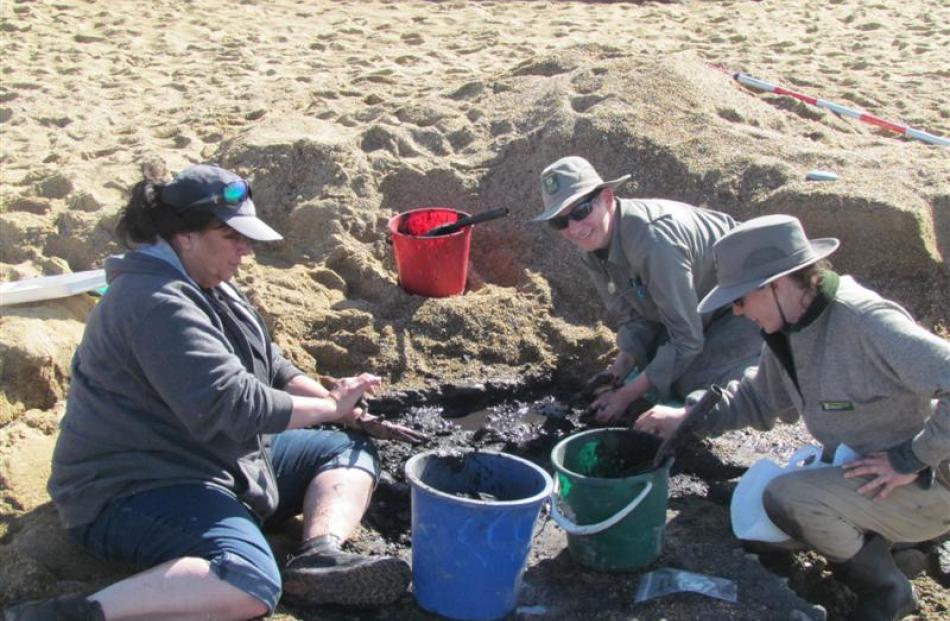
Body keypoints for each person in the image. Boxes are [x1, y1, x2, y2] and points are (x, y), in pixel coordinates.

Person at [4, 163, 422, 621]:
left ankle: (319, 556)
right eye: (232, 238)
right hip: (133, 486)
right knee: (251, 581)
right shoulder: (154, 301)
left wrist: (338, 410)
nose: (245, 251)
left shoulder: (208, 280)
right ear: (184, 235)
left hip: (212, 457)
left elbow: (271, 362)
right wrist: (326, 406)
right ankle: (69, 614)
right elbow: (234, 405)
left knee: (347, 449)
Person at [634, 214, 950, 621]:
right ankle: (889, 538)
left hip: (932, 481)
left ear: (778, 284)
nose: (738, 311)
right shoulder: (791, 328)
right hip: (865, 466)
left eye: (742, 299)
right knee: (760, 519)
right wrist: (686, 417)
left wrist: (912, 458)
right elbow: (759, 398)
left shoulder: (866, 322)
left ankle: (888, 590)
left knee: (789, 498)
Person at [534, 155, 762, 421]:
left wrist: (626, 396)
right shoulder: (590, 245)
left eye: (580, 211)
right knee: (653, 362)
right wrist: (617, 373)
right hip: (698, 304)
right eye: (559, 222)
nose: (573, 228)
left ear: (607, 198)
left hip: (749, 301)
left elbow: (687, 340)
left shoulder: (654, 242)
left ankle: (769, 359)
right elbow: (634, 316)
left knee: (688, 382)